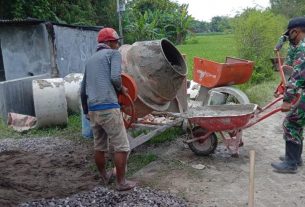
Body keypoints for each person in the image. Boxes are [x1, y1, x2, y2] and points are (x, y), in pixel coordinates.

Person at [80, 27, 137, 190]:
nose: (118, 44)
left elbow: (83, 89)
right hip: (108, 107)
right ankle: (121, 182)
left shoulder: (90, 60)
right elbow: (114, 77)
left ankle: (104, 176)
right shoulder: (114, 54)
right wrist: (121, 89)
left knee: (99, 146)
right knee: (122, 146)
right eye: (116, 41)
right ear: (109, 42)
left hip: (93, 109)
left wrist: (86, 111)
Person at [271, 16, 305, 173]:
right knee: (298, 124)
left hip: (302, 92)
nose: (288, 37)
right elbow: (291, 70)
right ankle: (295, 159)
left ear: (296, 31)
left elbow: (297, 76)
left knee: (291, 123)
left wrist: (287, 99)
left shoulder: (303, 49)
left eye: (289, 34)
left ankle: (291, 164)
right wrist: (281, 41)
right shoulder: (299, 45)